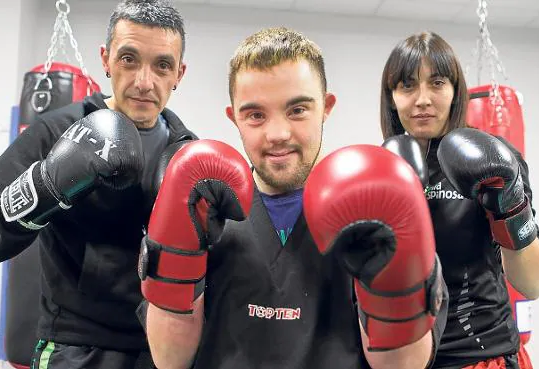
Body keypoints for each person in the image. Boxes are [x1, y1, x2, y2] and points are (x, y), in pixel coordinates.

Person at [136, 27, 449, 369]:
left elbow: (403, 366)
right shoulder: (203, 206)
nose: (278, 134)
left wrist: (385, 280)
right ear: (234, 117)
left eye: (297, 110)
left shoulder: (374, 212)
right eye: (255, 115)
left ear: (326, 107)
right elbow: (169, 359)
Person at [0, 0, 196, 368]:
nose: (145, 81)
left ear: (179, 73)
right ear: (106, 59)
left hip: (161, 353)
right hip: (74, 351)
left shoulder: (190, 155)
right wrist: (46, 186)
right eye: (129, 59)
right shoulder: (57, 131)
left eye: (162, 65)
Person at [379, 31, 539, 369]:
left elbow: (533, 284)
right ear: (392, 97)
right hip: (403, 357)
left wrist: (509, 204)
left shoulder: (495, 162)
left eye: (437, 83)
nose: (423, 99)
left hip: (483, 356)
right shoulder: (381, 169)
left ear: (456, 91)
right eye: (408, 85)